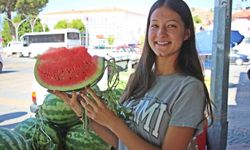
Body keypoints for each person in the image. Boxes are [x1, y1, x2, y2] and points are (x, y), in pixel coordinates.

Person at [50, 0, 213, 149]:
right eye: (154, 25)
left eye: (171, 26)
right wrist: (81, 112)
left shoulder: (189, 88)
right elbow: (120, 142)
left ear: (186, 33)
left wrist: (113, 122)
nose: (161, 33)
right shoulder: (138, 79)